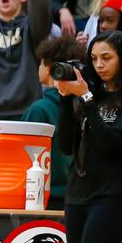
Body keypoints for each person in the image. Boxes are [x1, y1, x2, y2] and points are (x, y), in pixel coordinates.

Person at [56, 31, 122, 243]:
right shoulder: (93, 94)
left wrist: (86, 97)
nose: (99, 65)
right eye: (93, 58)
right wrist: (65, 99)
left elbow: (111, 145)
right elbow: (64, 145)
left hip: (111, 198)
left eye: (106, 57)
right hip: (77, 196)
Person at [21, 36, 86, 210]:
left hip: (45, 199)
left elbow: (24, 159)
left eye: (41, 62)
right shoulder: (85, 105)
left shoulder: (38, 110)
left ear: (50, 67)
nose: (39, 67)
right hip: (78, 197)